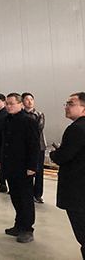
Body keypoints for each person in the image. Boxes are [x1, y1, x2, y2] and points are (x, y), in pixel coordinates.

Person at [0, 92, 39, 243]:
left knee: (25, 198)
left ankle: (28, 229)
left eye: (12, 103)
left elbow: (34, 145)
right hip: (10, 165)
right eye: (7, 104)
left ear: (20, 104)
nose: (9, 106)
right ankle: (19, 225)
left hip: (24, 166)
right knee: (15, 196)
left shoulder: (28, 121)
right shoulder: (5, 120)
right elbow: (2, 142)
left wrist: (32, 166)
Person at [50, 93, 85, 259]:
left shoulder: (76, 129)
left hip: (78, 190)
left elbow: (62, 156)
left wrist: (54, 154)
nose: (66, 107)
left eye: (71, 104)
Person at [22, 92, 46, 204]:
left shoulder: (39, 114)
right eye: (27, 99)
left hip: (38, 146)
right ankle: (27, 193)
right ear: (22, 102)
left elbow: (38, 129)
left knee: (39, 171)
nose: (30, 101)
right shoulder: (20, 115)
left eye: (31, 99)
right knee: (26, 171)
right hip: (24, 147)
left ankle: (38, 194)